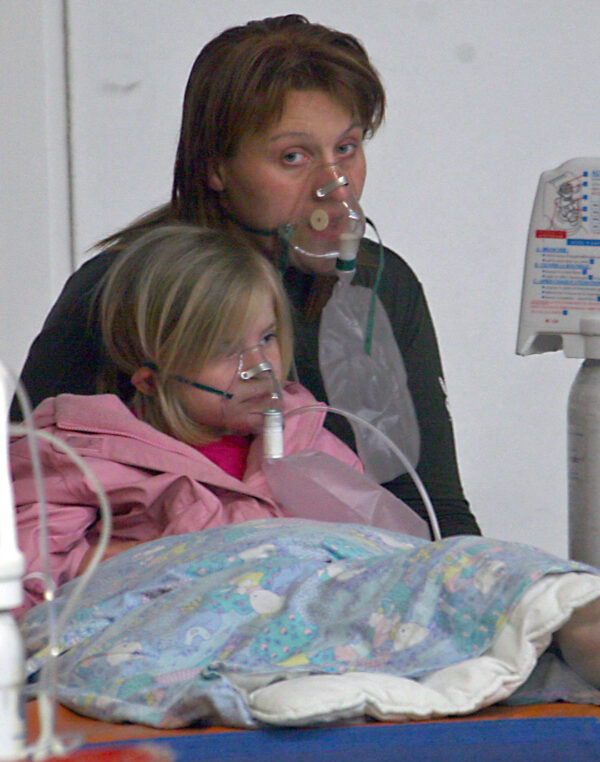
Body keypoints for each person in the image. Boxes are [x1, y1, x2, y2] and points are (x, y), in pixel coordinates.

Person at [11, 14, 480, 537]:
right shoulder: (121, 293)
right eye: (293, 157)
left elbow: (433, 512)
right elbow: (22, 515)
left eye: (346, 149)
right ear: (217, 167)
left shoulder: (380, 287)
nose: (336, 186)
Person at [10, 225, 367, 615]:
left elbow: (372, 552)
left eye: (267, 337)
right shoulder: (87, 453)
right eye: (225, 350)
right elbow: (23, 570)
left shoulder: (307, 439)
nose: (260, 366)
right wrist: (132, 560)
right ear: (151, 380)